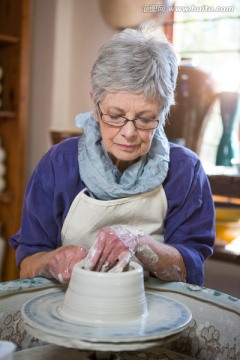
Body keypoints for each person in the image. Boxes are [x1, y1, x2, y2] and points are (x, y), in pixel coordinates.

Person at [9, 26, 215, 286]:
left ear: (163, 112)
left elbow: (191, 269)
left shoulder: (185, 170)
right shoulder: (58, 165)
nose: (128, 133)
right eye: (115, 116)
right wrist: (50, 262)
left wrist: (141, 243)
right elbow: (26, 265)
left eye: (145, 119)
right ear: (95, 103)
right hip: (73, 309)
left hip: (151, 314)